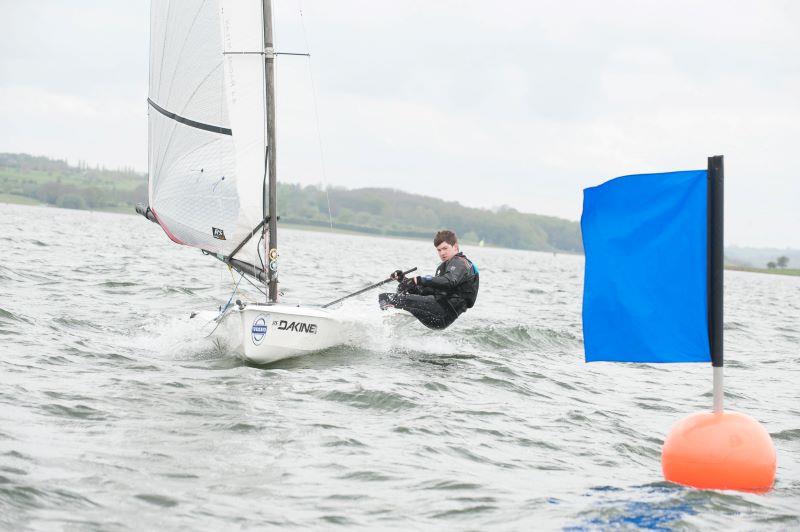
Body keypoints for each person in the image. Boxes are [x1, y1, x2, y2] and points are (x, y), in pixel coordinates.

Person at [378, 230, 479, 329]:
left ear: (455, 246)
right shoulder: (444, 267)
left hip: (442, 311)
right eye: (439, 250)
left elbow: (449, 281)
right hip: (438, 313)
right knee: (394, 295)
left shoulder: (460, 262)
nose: (442, 253)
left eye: (445, 248)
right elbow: (427, 292)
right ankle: (389, 334)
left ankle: (379, 331)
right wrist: (405, 281)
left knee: (385, 298)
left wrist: (420, 279)